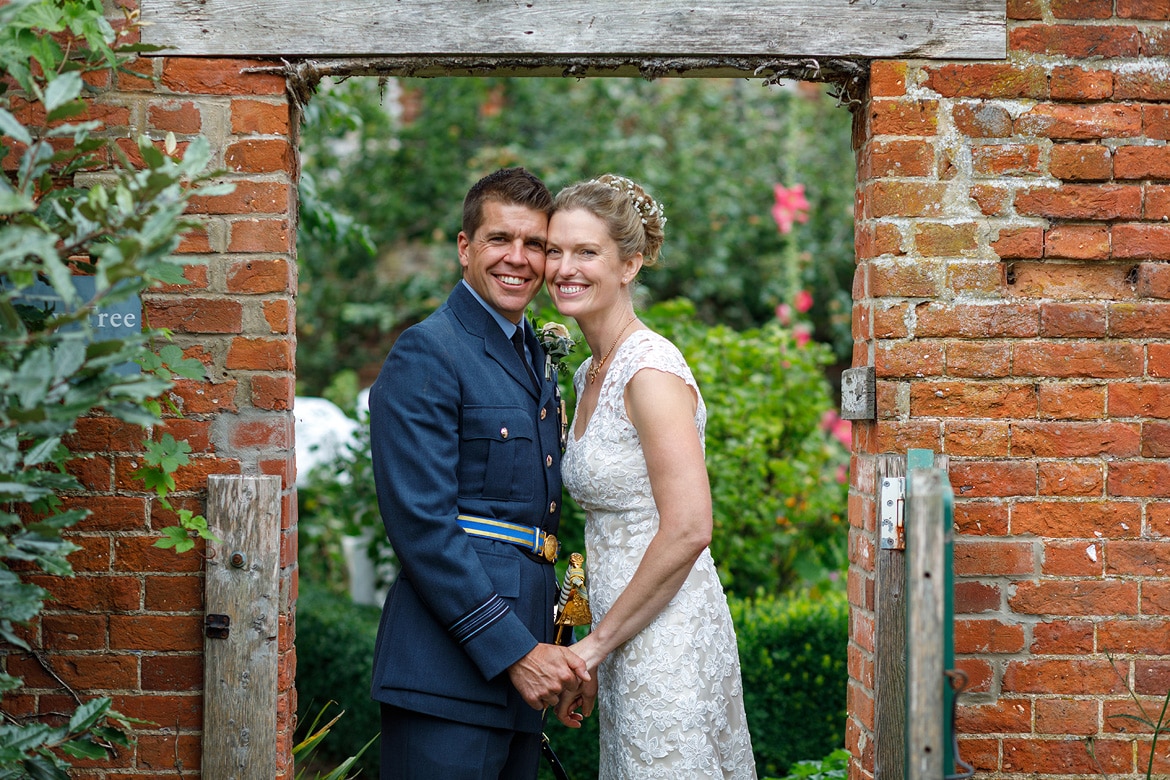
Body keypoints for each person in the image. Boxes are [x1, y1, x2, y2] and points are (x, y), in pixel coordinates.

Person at [367, 167, 590, 779]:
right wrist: (516, 651)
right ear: (464, 248)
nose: (517, 259)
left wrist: (558, 653)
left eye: (535, 244)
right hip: (447, 671)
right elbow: (422, 526)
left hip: (522, 676)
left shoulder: (533, 355)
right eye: (499, 239)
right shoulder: (428, 351)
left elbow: (533, 528)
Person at [545, 174, 757, 778]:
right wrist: (588, 647)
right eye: (556, 250)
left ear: (630, 264)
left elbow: (690, 528)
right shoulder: (589, 374)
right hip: (622, 631)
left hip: (668, 632)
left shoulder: (650, 371)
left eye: (587, 252)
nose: (564, 267)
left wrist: (595, 645)